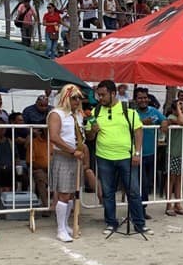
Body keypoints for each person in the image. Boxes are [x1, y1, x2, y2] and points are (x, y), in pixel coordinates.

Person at [86, 80, 152, 235]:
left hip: (126, 156)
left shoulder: (127, 110)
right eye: (98, 95)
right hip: (104, 157)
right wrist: (93, 131)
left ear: (113, 93)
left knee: (133, 191)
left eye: (103, 95)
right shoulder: (95, 112)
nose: (100, 98)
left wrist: (137, 153)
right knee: (108, 192)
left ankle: (139, 224)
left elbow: (138, 131)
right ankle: (110, 222)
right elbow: (89, 137)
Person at [47, 84, 88, 242]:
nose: (78, 101)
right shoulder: (56, 114)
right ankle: (60, 228)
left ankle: (65, 224)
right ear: (66, 98)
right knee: (64, 193)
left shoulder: (78, 115)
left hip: (76, 156)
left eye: (79, 98)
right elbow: (54, 137)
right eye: (74, 98)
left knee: (71, 193)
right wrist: (72, 151)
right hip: (64, 156)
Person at [134, 87, 168, 220]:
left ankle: (142, 208)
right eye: (140, 98)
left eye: (144, 97)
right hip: (138, 154)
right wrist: (142, 123)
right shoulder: (133, 113)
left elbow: (164, 120)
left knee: (147, 184)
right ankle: (138, 210)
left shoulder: (154, 111)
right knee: (140, 183)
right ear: (136, 100)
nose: (143, 100)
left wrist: (164, 123)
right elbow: (129, 126)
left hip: (151, 153)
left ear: (148, 98)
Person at [164, 99, 183, 217]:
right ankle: (168, 204)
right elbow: (182, 122)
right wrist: (179, 110)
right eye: (180, 107)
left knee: (180, 178)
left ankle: (178, 204)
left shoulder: (182, 117)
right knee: (171, 179)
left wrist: (182, 110)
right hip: (174, 153)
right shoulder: (172, 118)